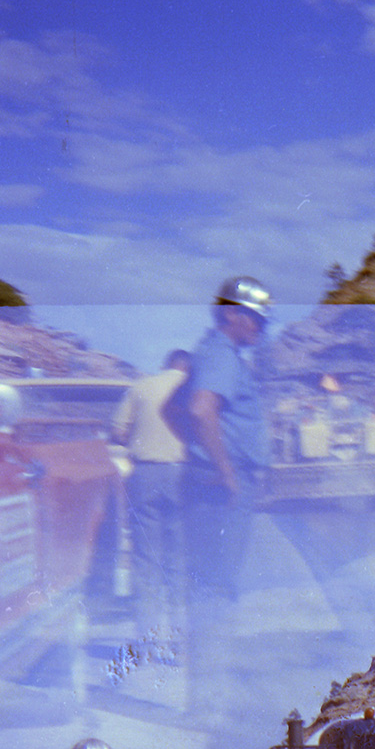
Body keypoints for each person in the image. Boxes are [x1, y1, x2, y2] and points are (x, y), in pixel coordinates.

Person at [182, 276, 274, 706]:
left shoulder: (221, 354)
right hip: (224, 485)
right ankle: (211, 693)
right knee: (216, 584)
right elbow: (203, 410)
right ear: (231, 314)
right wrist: (225, 470)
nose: (261, 329)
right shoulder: (220, 353)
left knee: (213, 580)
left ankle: (210, 683)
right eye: (256, 319)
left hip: (224, 480)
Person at [111, 348, 193, 647]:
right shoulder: (191, 389)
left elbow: (118, 432)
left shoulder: (141, 386)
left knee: (146, 559)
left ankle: (145, 638)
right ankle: (178, 642)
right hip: (182, 476)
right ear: (187, 367)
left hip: (145, 475)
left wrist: (140, 436)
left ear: (165, 364)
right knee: (179, 558)